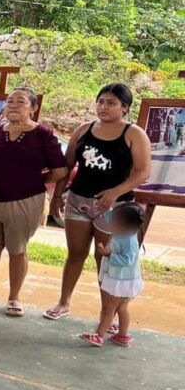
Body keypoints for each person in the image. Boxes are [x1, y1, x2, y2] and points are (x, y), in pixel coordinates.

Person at [45, 84, 151, 320]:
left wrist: (116, 192)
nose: (103, 107)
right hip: (78, 201)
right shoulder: (84, 129)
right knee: (75, 253)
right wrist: (58, 195)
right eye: (101, 101)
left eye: (111, 103)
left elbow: (143, 172)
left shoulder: (134, 134)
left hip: (115, 207)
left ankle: (109, 313)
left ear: (125, 108)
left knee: (106, 258)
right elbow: (68, 164)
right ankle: (63, 302)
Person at [0, 87, 67, 316]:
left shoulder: (43, 135)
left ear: (33, 108)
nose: (13, 105)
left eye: (20, 101)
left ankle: (14, 298)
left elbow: (59, 170)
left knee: (17, 250)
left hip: (24, 201)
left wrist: (34, 181)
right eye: (10, 101)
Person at [79, 202, 145, 347]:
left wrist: (107, 255)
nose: (111, 224)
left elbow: (127, 260)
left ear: (125, 225)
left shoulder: (127, 240)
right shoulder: (126, 235)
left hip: (120, 280)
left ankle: (99, 335)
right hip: (126, 280)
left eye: (115, 221)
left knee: (109, 308)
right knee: (122, 308)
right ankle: (122, 336)